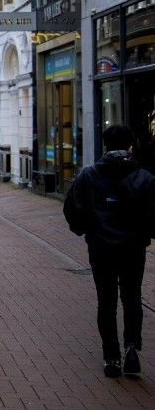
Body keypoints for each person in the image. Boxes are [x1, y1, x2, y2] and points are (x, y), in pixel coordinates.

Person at [63, 125, 155, 378]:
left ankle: (111, 357)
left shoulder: (89, 175)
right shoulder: (145, 178)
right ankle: (132, 348)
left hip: (100, 246)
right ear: (131, 146)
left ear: (104, 146)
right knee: (132, 298)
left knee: (106, 301)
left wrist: (83, 229)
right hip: (133, 248)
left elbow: (73, 208)